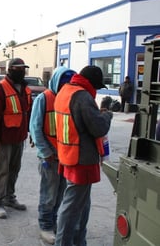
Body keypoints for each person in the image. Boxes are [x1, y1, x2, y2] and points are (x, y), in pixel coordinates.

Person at [54, 65, 113, 246]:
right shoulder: (82, 96)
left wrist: (98, 113)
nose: (96, 90)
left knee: (81, 204)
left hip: (68, 154)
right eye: (96, 86)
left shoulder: (65, 91)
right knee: (72, 207)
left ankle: (79, 241)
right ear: (91, 83)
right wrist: (107, 114)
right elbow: (98, 128)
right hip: (81, 159)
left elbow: (79, 121)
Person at [29, 66, 76, 244]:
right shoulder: (44, 99)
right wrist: (45, 152)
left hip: (66, 156)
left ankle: (55, 222)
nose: (67, 84)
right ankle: (45, 225)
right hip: (49, 157)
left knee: (61, 193)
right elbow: (35, 128)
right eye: (64, 80)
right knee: (49, 194)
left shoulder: (70, 99)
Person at [0, 58, 32, 219]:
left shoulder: (25, 89)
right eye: (18, 68)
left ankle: (9, 197)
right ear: (10, 69)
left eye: (23, 68)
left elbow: (28, 113)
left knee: (14, 169)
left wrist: (30, 132)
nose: (21, 71)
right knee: (2, 171)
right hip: (3, 138)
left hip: (19, 137)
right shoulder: (0, 88)